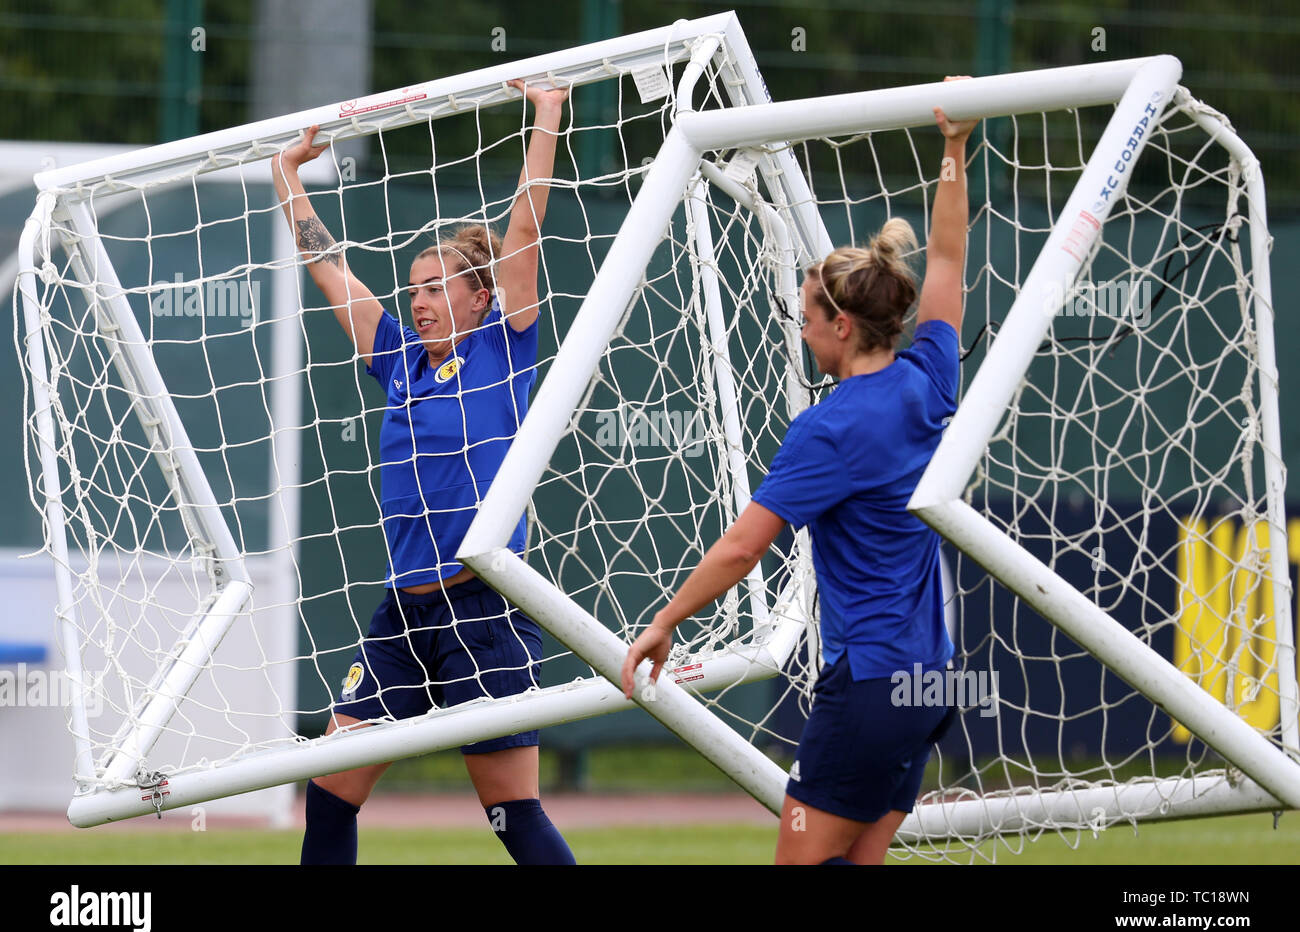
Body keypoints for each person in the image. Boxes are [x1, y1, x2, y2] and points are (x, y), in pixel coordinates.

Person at [621, 78, 977, 865]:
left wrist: (665, 620)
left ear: (842, 326)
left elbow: (744, 547)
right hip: (932, 684)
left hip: (873, 683)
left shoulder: (831, 427)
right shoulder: (929, 376)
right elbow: (949, 257)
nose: (802, 329)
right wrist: (955, 147)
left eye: (806, 318)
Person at [273, 79, 575, 865]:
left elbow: (526, 227)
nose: (421, 302)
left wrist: (546, 113)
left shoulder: (503, 351)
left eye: (436, 288)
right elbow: (331, 268)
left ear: (482, 297)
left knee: (512, 816)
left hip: (484, 610)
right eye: (414, 289)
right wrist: (287, 174)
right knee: (328, 791)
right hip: (401, 619)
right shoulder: (400, 360)